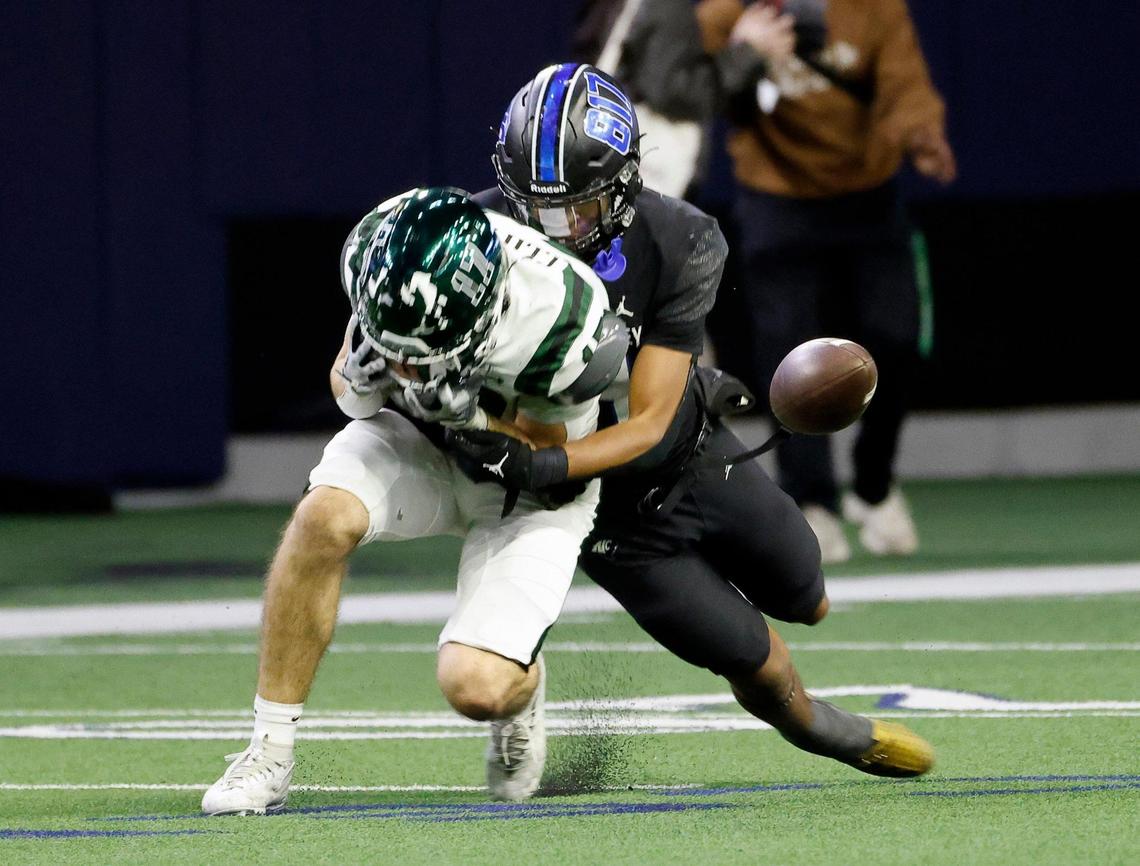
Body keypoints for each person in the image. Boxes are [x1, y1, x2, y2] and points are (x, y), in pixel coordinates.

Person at [457, 63, 934, 781]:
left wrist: (542, 464)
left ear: (622, 185)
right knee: (757, 660)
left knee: (809, 598)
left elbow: (648, 421)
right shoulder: (473, 236)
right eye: (537, 206)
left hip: (690, 455)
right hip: (607, 519)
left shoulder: (680, 237)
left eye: (577, 208)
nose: (556, 230)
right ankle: (830, 732)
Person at [201, 187, 627, 814]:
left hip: (530, 488)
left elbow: (553, 457)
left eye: (418, 357)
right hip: (419, 441)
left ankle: (522, 683)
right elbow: (351, 385)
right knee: (322, 518)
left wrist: (477, 415)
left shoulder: (565, 323)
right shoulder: (390, 249)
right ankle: (268, 750)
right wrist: (366, 382)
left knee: (477, 687)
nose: (403, 367)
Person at [696, 0, 957, 562]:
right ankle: (812, 501)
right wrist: (744, 50)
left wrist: (921, 133)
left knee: (899, 336)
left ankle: (874, 485)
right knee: (790, 352)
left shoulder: (874, 9)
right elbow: (692, 92)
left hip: (869, 191)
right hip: (776, 195)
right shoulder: (727, 13)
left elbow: (904, 84)